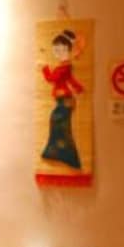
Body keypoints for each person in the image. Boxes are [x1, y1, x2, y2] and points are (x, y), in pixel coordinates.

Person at [40, 29, 84, 169]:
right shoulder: (65, 66)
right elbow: (70, 80)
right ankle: (59, 153)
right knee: (60, 126)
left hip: (64, 99)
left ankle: (63, 154)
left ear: (68, 50)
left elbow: (51, 79)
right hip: (63, 99)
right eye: (56, 50)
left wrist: (45, 69)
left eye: (62, 50)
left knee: (59, 124)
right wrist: (78, 88)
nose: (58, 53)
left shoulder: (64, 67)